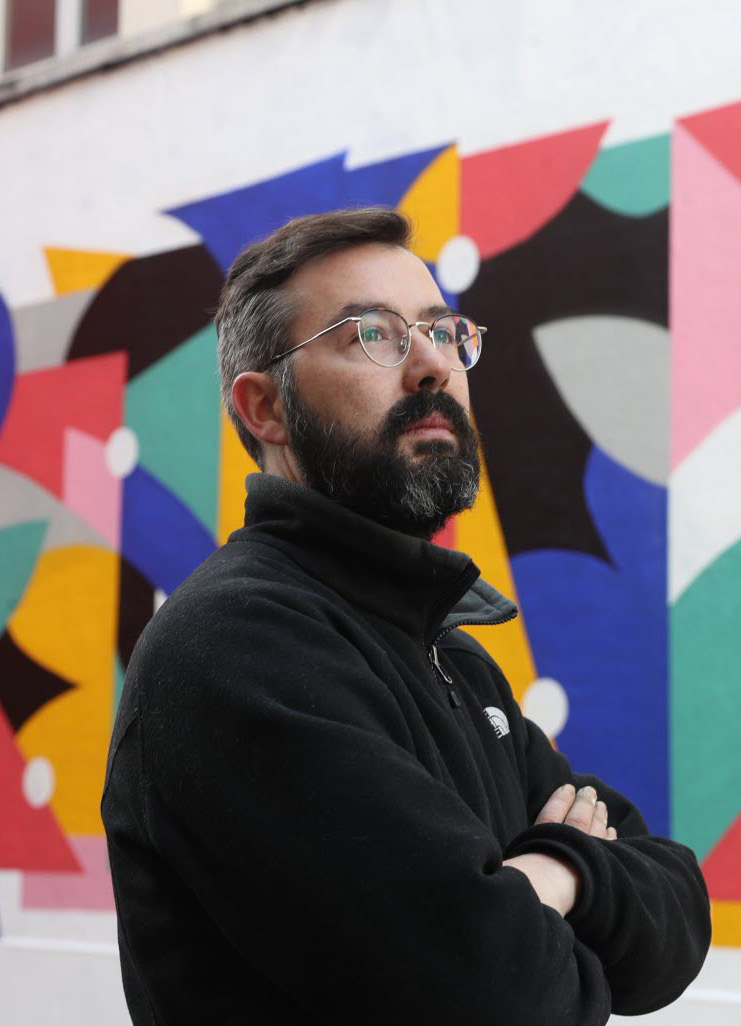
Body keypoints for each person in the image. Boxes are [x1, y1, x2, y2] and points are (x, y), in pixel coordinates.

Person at [102, 207, 711, 1025]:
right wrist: (565, 872)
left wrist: (551, 871)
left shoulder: (450, 653)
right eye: (372, 335)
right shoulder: (235, 646)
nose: (431, 366)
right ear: (264, 408)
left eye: (442, 331)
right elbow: (498, 996)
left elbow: (675, 921)